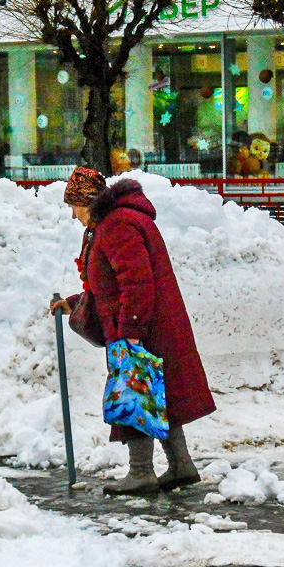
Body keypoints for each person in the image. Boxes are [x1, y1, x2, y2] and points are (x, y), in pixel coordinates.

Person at [50, 167, 216, 496]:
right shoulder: (113, 223)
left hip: (141, 326)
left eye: (73, 206)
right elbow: (110, 282)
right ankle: (181, 465)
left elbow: (137, 282)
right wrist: (75, 303)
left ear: (86, 202)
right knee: (159, 395)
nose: (72, 215)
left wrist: (131, 332)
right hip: (146, 324)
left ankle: (141, 472)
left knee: (136, 395)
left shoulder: (117, 225)